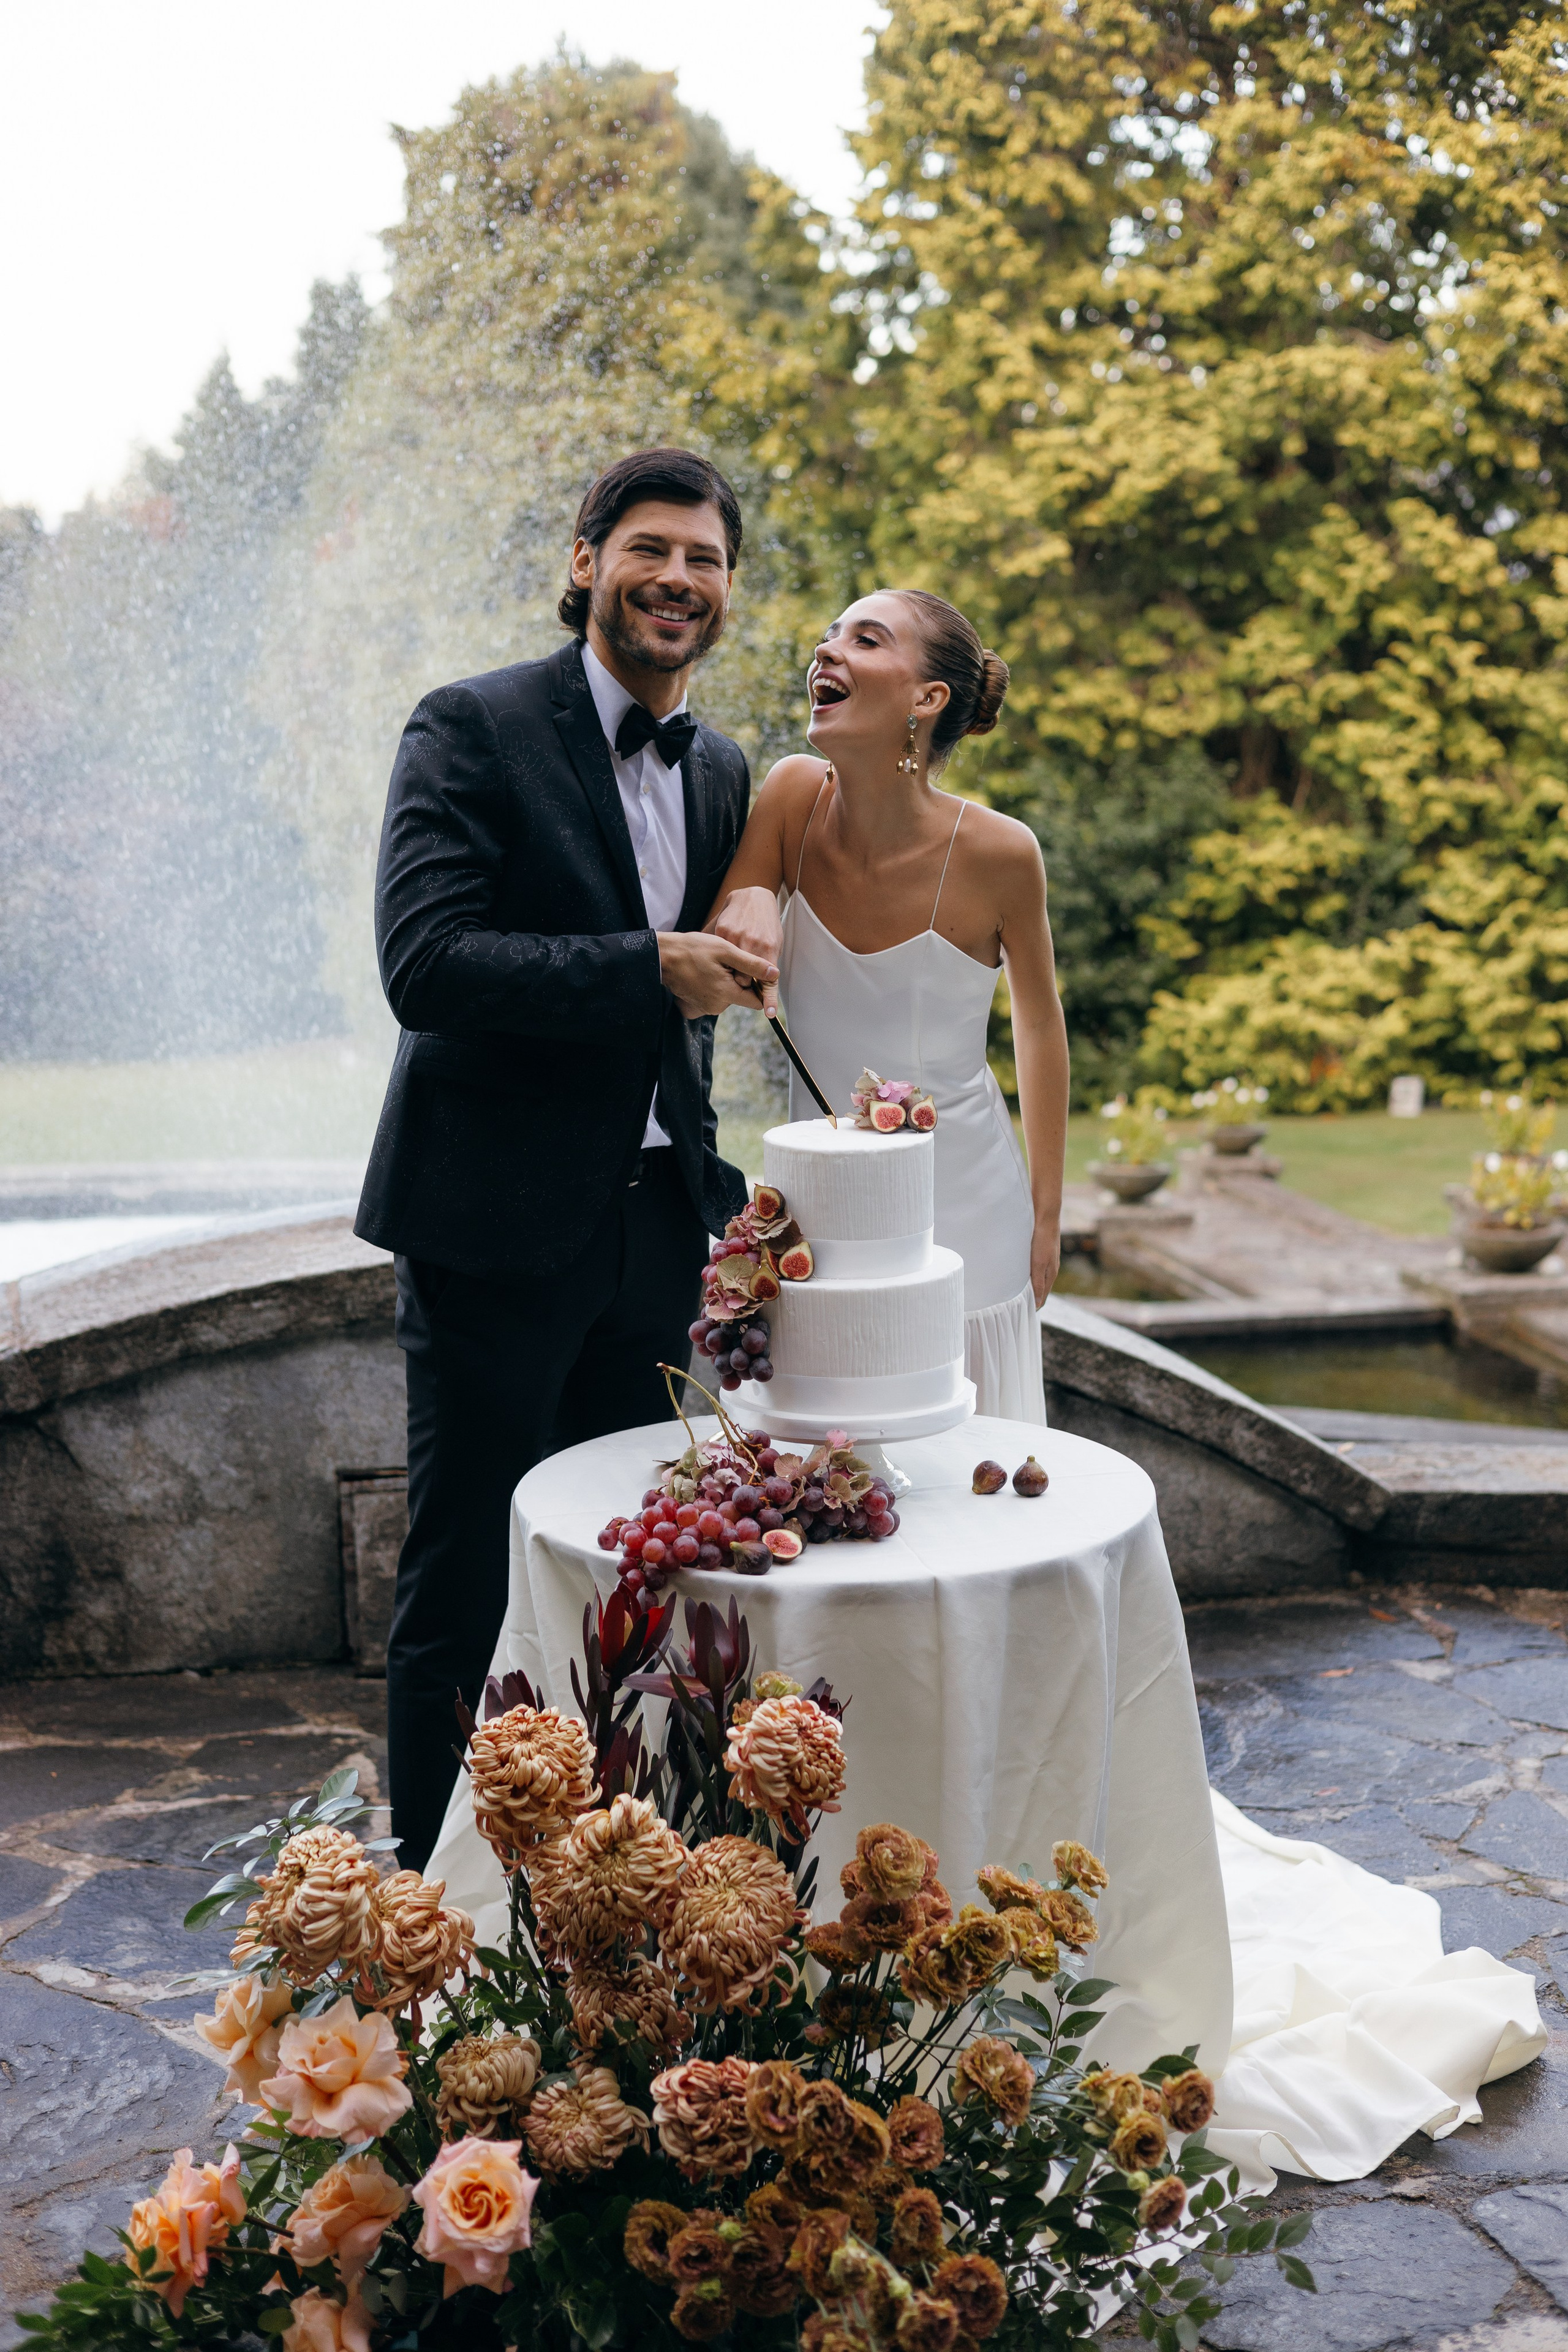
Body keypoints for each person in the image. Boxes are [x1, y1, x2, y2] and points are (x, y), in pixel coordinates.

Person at [355, 447, 776, 1872]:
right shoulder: (468, 726)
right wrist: (646, 966)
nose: (678, 579)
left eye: (705, 559)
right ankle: (425, 1901)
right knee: (464, 1577)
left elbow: (709, 1010)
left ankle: (603, 1886)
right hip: (490, 1228)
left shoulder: (716, 767)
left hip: (657, 1234)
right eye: (651, 548)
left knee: (635, 1576)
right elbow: (426, 963)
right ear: (587, 557)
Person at [708, 588, 1068, 1420]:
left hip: (969, 1210)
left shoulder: (1001, 852)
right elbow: (731, 937)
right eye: (829, 636)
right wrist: (758, 893)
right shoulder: (793, 795)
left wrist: (1047, 1216)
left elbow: (1041, 1027)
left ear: (927, 698)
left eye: (865, 640)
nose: (826, 651)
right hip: (818, 1215)